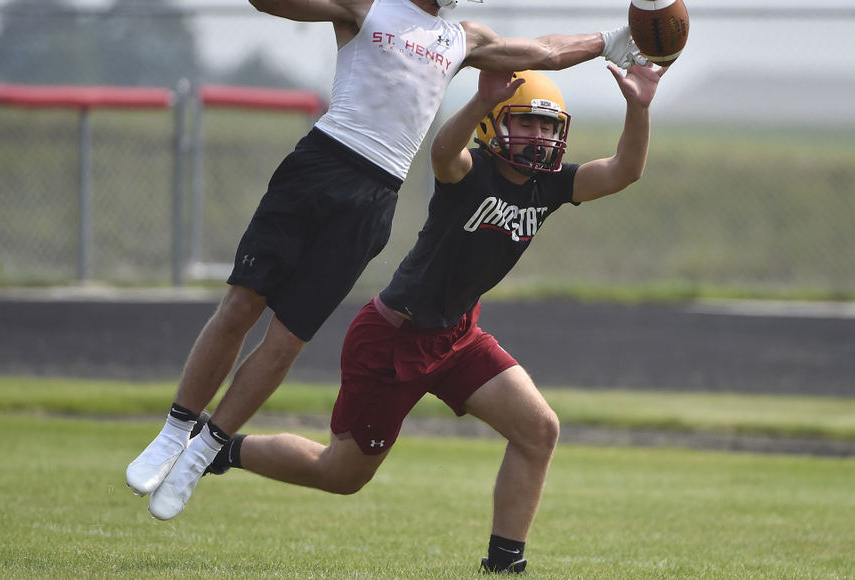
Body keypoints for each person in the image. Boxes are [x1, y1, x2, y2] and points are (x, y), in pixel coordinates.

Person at [126, 0, 647, 523]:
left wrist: (610, 41)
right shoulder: (364, 3)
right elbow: (277, 2)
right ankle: (174, 429)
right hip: (321, 165)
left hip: (376, 196)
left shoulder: (464, 37)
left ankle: (204, 449)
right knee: (242, 303)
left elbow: (544, 52)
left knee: (288, 338)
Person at [196, 62, 666, 574]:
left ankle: (504, 564)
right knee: (342, 473)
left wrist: (638, 105)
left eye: (549, 126)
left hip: (458, 334)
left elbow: (626, 170)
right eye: (527, 122)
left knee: (538, 430)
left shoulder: (548, 186)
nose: (540, 137)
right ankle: (221, 450)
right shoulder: (471, 170)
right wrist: (479, 101)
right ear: (493, 124)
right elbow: (443, 152)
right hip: (394, 340)